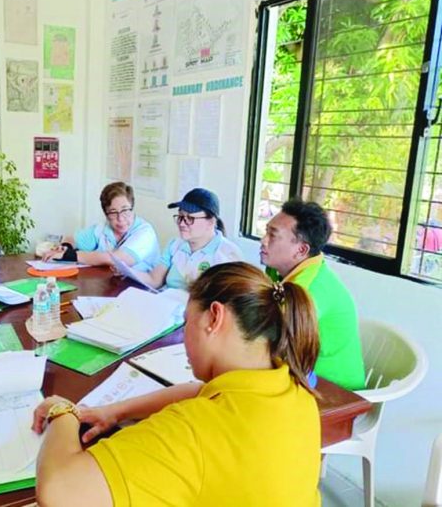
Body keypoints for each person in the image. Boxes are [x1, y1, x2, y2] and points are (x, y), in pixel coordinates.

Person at [32, 262, 322, 506]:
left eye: (186, 323)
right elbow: (198, 392)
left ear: (215, 317)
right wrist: (116, 411)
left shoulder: (196, 430)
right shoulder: (293, 389)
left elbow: (60, 492)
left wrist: (63, 412)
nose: (184, 336)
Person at [260, 198, 366, 390]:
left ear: (301, 250)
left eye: (272, 235)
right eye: (266, 231)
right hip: (298, 374)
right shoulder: (279, 271)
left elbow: (273, 339)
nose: (263, 240)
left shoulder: (310, 290)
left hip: (335, 391)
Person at [128, 188, 242, 290]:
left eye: (190, 218)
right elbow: (153, 280)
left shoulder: (228, 255)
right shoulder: (175, 244)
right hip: (165, 304)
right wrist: (127, 271)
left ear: (211, 222)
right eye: (180, 216)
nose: (182, 223)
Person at [41, 182, 160, 271]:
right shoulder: (102, 229)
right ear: (106, 214)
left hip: (143, 291)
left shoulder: (145, 232)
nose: (120, 218)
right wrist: (65, 247)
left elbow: (116, 260)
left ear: (132, 207)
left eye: (125, 210)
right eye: (113, 212)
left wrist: (70, 255)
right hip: (111, 286)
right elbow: (71, 239)